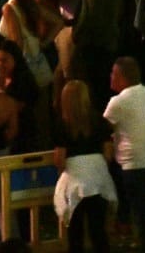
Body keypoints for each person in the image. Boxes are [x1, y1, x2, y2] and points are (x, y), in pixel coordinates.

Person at [104, 57, 145, 253]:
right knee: (144, 208)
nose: (110, 77)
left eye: (113, 73)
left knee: (142, 212)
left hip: (137, 166)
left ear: (122, 77)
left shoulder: (119, 102)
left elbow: (101, 128)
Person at [53, 79, 117, 253]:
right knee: (99, 230)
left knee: (75, 233)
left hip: (74, 181)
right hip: (97, 179)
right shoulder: (99, 121)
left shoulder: (62, 125)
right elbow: (109, 153)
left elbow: (60, 158)